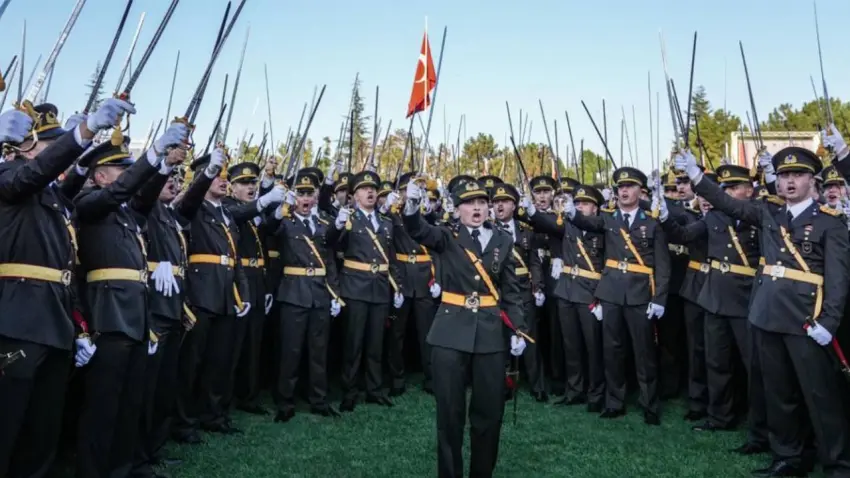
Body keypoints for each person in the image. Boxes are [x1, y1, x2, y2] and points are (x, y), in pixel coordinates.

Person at [677, 144, 850, 477]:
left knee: (820, 396)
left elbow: (839, 279)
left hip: (806, 319)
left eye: (797, 175)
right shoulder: (769, 212)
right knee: (778, 392)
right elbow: (728, 203)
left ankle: (837, 463)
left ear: (812, 180)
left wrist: (828, 321)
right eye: (784, 175)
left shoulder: (830, 223)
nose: (789, 182)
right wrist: (697, 176)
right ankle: (789, 456)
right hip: (767, 314)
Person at [0, 98, 133, 478]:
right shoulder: (8, 177)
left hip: (56, 324)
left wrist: (77, 327)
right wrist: (84, 132)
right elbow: (36, 172)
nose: (57, 153)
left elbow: (66, 268)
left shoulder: (56, 201)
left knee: (42, 433)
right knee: (7, 426)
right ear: (24, 147)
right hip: (17, 323)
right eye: (51, 145)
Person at [73, 122, 187, 478]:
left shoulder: (126, 214)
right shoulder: (89, 202)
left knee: (129, 401)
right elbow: (118, 194)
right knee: (103, 406)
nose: (127, 175)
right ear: (101, 175)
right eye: (122, 169)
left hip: (135, 316)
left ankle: (123, 468)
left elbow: (145, 194)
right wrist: (152, 156)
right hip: (108, 316)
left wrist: (164, 165)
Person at [525, 167, 671, 425]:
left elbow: (662, 265)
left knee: (643, 352)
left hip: (639, 293)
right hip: (611, 292)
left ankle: (649, 403)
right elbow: (587, 222)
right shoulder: (608, 219)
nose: (624, 191)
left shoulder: (652, 222)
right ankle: (614, 401)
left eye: (629, 187)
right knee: (611, 351)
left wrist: (659, 298)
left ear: (640, 191)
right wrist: (570, 212)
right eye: (620, 188)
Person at [403, 178, 526, 478]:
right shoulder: (446, 236)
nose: (477, 208)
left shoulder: (502, 240)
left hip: (490, 335)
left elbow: (511, 291)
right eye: (470, 203)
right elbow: (417, 229)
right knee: (450, 415)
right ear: (457, 210)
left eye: (482, 203)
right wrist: (410, 205)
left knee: (489, 415)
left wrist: (517, 329)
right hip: (450, 331)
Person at [658, 164, 768, 449]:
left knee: (753, 367)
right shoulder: (714, 216)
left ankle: (760, 426)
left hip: (748, 299)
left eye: (734, 188)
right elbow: (683, 235)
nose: (727, 193)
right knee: (716, 361)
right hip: (715, 298)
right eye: (725, 188)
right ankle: (720, 415)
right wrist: (665, 214)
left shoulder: (762, 213)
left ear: (749, 189)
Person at [269, 169, 342, 421]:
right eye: (300, 193)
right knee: (291, 350)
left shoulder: (324, 224)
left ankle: (318, 400)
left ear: (316, 195)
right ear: (294, 196)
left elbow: (330, 259)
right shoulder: (285, 222)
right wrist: (281, 209)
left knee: (318, 350)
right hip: (293, 292)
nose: (305, 198)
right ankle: (285, 402)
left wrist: (335, 294)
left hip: (319, 293)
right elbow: (270, 229)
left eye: (309, 193)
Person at [329, 170, 404, 411]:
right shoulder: (348, 218)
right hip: (355, 286)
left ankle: (374, 389)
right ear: (354, 195)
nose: (370, 192)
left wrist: (397, 285)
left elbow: (391, 258)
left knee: (376, 343)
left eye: (373, 188)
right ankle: (349, 391)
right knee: (353, 343)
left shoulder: (386, 222)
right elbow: (330, 244)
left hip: (380, 287)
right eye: (363, 189)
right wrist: (338, 225)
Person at [529, 184, 607, 412]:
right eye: (578, 203)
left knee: (593, 346)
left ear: (595, 208)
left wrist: (601, 295)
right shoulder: (568, 226)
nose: (581, 207)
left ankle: (596, 393)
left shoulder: (602, 227)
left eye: (585, 203)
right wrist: (531, 212)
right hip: (566, 291)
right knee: (570, 344)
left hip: (590, 292)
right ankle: (574, 390)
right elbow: (546, 223)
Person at [491, 182, 546, 400]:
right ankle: (506, 385)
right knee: (502, 340)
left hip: (523, 288)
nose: (499, 206)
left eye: (504, 202)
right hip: (499, 290)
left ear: (514, 205)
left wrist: (538, 287)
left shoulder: (526, 232)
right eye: (496, 202)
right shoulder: (487, 229)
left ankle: (538, 386)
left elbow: (534, 263)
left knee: (529, 337)